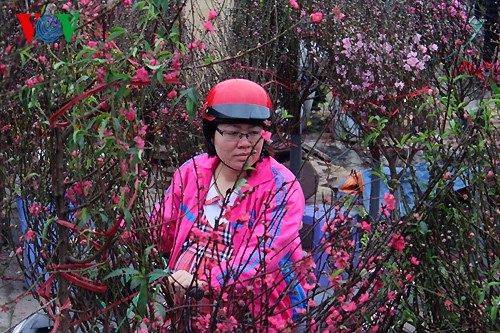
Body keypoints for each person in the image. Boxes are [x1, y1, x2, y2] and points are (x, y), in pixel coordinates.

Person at [151, 78, 307, 332]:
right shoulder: (192, 173)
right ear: (211, 134)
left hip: (251, 316)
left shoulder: (282, 187)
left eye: (254, 133)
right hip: (183, 315)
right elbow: (161, 230)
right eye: (233, 133)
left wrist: (204, 283)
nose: (245, 143)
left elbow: (264, 256)